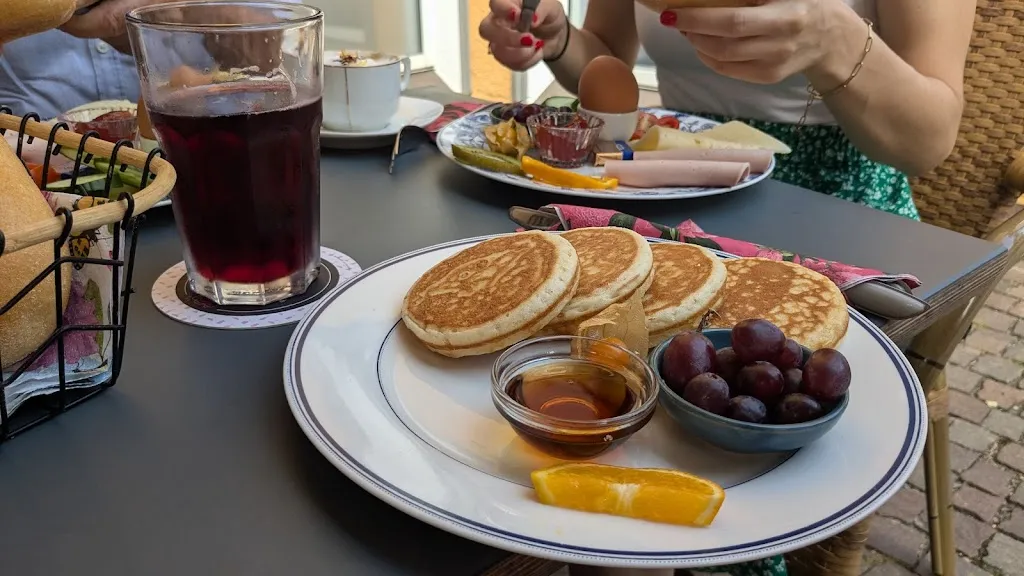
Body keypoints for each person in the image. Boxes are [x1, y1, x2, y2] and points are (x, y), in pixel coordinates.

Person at [479, 0, 975, 222]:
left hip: (834, 207)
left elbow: (928, 142)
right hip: (670, 191)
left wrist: (838, 43)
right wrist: (559, 39)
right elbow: (608, 53)